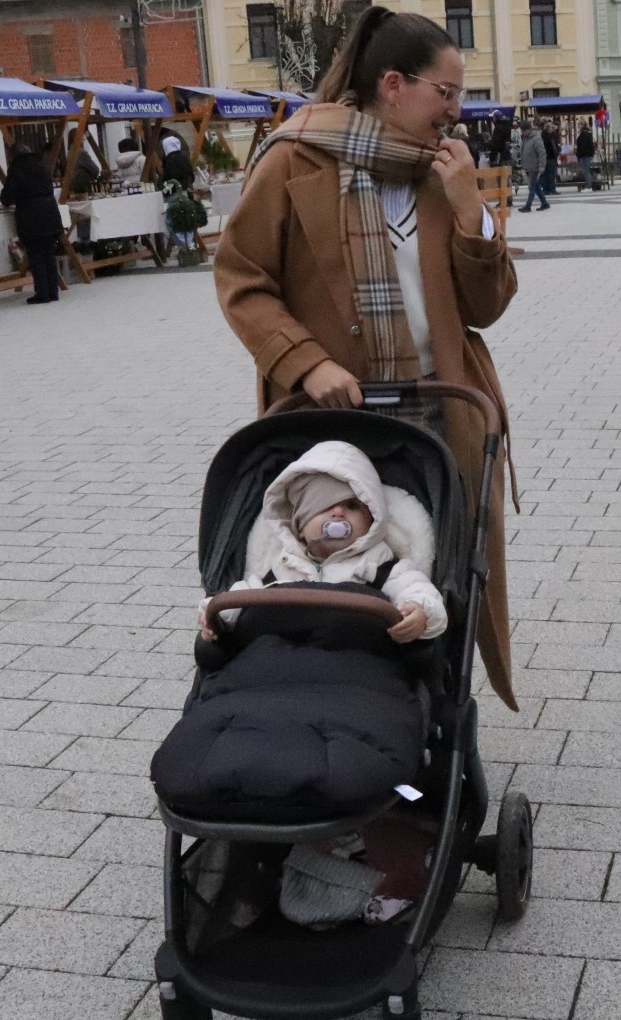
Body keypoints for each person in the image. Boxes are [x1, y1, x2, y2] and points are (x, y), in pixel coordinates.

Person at [212, 4, 519, 710]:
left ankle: (433, 707)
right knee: (331, 565)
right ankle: (324, 692)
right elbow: (241, 278)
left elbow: (486, 307)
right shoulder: (295, 160)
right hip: (328, 414)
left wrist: (471, 210)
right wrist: (306, 361)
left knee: (434, 565)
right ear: (391, 85)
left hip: (442, 408)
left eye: (458, 95)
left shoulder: (440, 174)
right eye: (444, 92)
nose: (455, 110)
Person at [199, 440, 447, 645]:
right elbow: (242, 595)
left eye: (351, 506)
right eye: (324, 506)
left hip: (356, 658)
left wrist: (420, 612)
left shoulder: (382, 564)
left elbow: (416, 588)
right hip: (279, 657)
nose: (338, 513)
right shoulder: (283, 563)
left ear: (373, 519)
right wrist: (215, 614)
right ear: (300, 528)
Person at [0, 142, 64, 305]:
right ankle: (53, 292)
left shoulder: (16, 169)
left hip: (30, 216)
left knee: (36, 256)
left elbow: (6, 198)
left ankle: (42, 293)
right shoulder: (42, 165)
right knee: (49, 254)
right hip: (50, 213)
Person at [517, 120, 549, 212]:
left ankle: (528, 206)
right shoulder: (525, 139)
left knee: (532, 187)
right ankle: (544, 203)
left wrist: (542, 166)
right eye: (522, 130)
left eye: (524, 130)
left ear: (529, 129)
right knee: (536, 186)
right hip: (528, 166)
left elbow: (542, 153)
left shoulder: (536, 139)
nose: (522, 132)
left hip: (535, 167)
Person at [574, 122, 596, 190]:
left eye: (579, 125)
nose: (578, 127)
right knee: (586, 170)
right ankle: (592, 182)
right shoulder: (588, 134)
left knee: (586, 171)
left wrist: (579, 154)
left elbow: (582, 147)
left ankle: (589, 186)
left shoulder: (583, 135)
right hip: (587, 154)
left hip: (585, 155)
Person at [540, 121, 560, 195]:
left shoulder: (543, 136)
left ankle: (546, 189)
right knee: (551, 174)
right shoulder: (549, 137)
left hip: (547, 157)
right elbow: (554, 147)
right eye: (551, 128)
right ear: (548, 129)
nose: (553, 129)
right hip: (550, 157)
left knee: (547, 175)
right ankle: (551, 189)